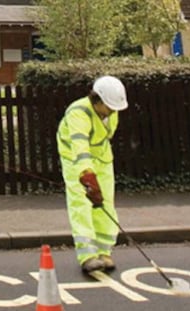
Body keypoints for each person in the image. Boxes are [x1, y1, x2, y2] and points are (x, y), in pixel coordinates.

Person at [56, 75, 128, 273]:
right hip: (74, 159)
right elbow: (80, 146)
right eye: (109, 107)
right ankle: (87, 255)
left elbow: (105, 137)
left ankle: (104, 251)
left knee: (105, 203)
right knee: (81, 204)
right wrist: (87, 176)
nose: (113, 112)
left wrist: (97, 176)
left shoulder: (112, 110)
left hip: (103, 157)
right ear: (97, 100)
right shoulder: (78, 112)